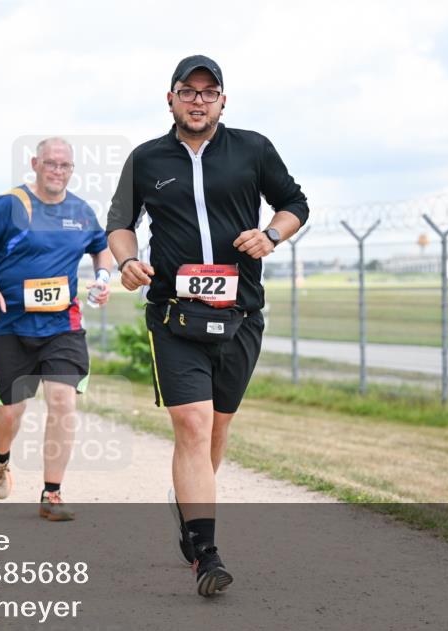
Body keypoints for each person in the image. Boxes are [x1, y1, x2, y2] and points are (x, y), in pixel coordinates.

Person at [106, 55, 309, 597]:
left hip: (240, 315)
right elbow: (120, 223)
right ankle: (207, 553)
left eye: (208, 91)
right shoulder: (146, 158)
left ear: (223, 100)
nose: (198, 100)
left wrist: (271, 234)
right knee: (192, 426)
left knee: (216, 430)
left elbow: (294, 203)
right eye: (188, 90)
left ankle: (190, 510)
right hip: (174, 315)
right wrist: (128, 261)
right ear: (170, 98)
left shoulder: (253, 149)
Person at [0, 137, 112, 521]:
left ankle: (52, 494)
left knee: (63, 401)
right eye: (50, 163)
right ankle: (0, 457)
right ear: (35, 164)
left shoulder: (81, 211)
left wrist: (103, 276)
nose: (57, 171)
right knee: (11, 412)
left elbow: (101, 245)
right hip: (10, 326)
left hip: (62, 325)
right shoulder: (9, 205)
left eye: (65, 165)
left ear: (72, 170)